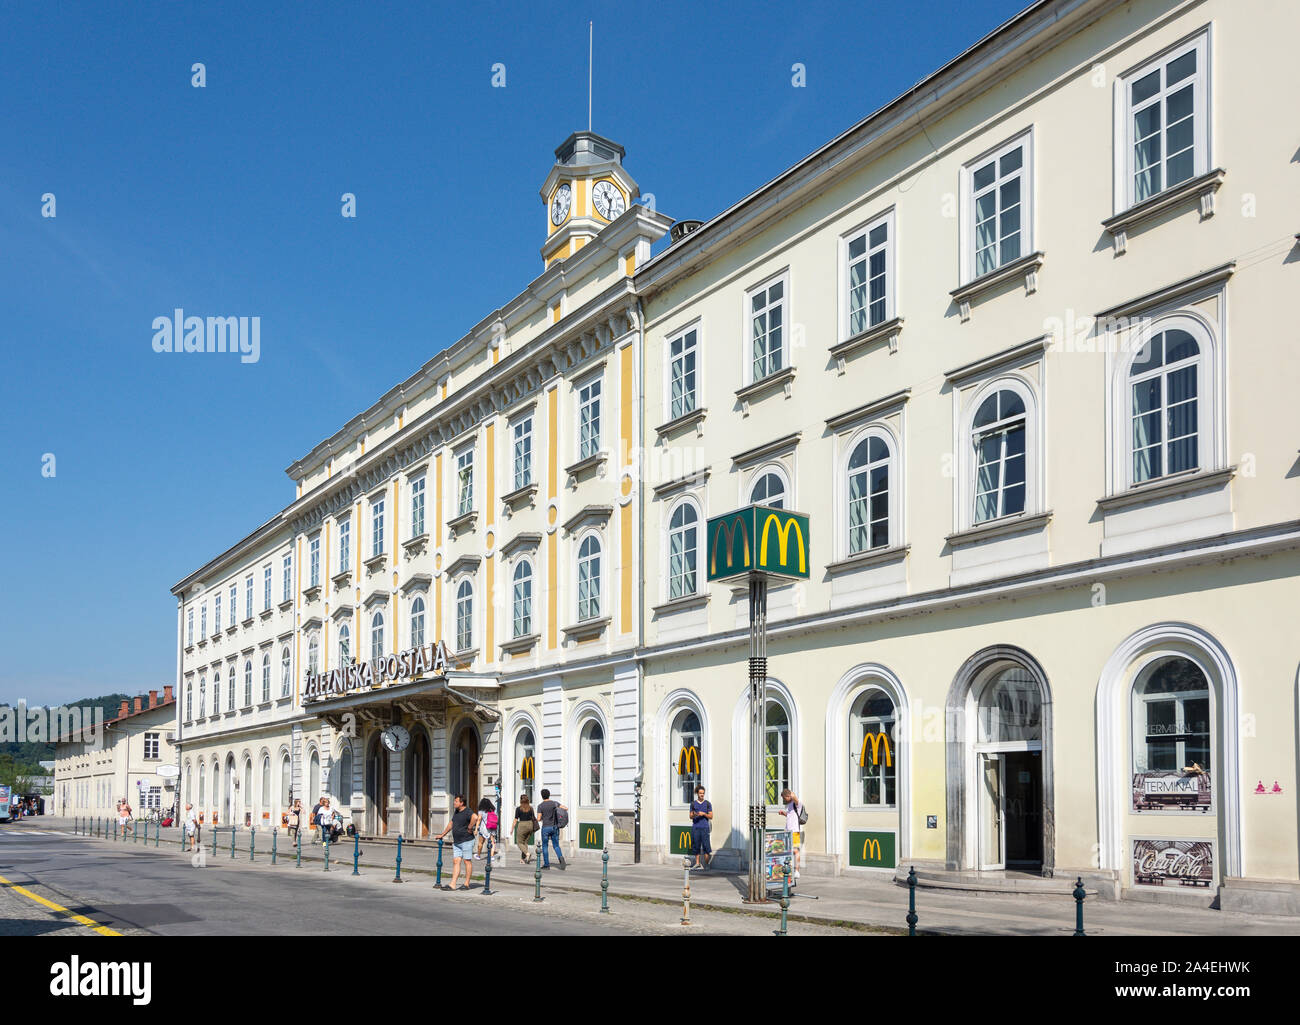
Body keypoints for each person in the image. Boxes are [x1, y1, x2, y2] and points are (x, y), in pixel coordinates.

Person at [435, 794, 478, 890]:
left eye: (456, 801)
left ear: (462, 803)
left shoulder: (467, 811)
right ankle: (453, 884)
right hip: (457, 842)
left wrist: (470, 827)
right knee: (456, 861)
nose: (454, 803)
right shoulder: (457, 811)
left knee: (467, 861)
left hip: (466, 840)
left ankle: (466, 884)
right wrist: (443, 834)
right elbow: (451, 823)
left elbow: (475, 817)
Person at [535, 788, 567, 871]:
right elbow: (565, 808)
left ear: (542, 796)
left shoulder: (540, 806)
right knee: (556, 845)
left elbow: (538, 818)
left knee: (545, 846)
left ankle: (546, 864)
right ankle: (561, 858)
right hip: (554, 827)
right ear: (549, 795)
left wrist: (543, 817)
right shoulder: (554, 803)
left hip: (545, 827)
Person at [781, 788, 807, 883]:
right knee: (788, 851)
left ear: (788, 796)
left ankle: (797, 871)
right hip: (787, 831)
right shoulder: (789, 806)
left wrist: (789, 793)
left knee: (795, 850)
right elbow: (791, 816)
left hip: (795, 831)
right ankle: (789, 869)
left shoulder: (797, 804)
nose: (784, 800)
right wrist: (784, 814)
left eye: (784, 798)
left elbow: (795, 798)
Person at [689, 785, 713, 870]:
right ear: (697, 794)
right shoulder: (693, 803)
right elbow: (690, 816)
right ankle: (697, 863)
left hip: (705, 827)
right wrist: (695, 814)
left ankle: (707, 864)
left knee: (706, 846)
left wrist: (704, 814)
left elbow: (711, 816)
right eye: (700, 793)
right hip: (696, 827)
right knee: (696, 845)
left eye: (703, 793)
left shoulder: (707, 803)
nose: (702, 795)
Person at [511, 795, 538, 863]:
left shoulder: (518, 809)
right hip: (530, 825)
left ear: (521, 800)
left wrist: (512, 829)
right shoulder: (531, 808)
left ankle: (527, 854)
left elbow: (515, 820)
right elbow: (533, 818)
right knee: (525, 842)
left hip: (522, 825)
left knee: (519, 842)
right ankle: (523, 859)